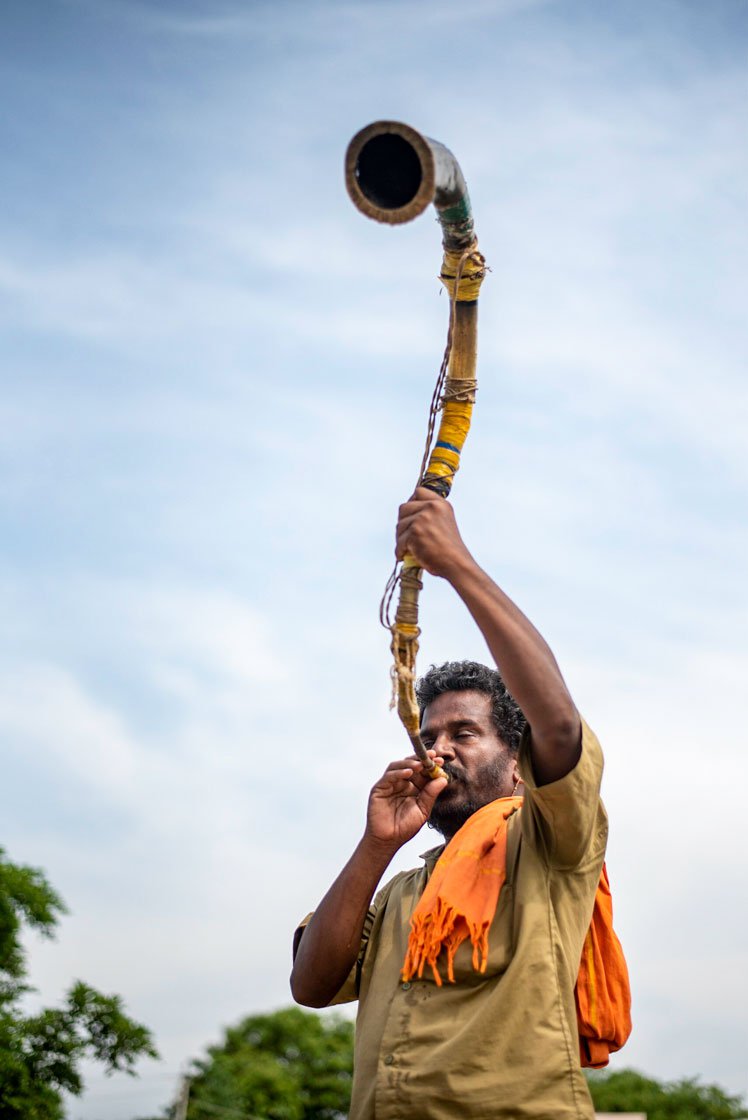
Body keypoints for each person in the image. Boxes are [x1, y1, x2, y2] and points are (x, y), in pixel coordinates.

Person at [291, 487, 609, 1120]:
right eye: (428, 738)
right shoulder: (405, 889)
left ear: (518, 762)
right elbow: (310, 984)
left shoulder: (549, 845)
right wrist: (377, 844)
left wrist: (455, 563)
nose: (438, 751)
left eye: (464, 733)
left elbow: (560, 724)